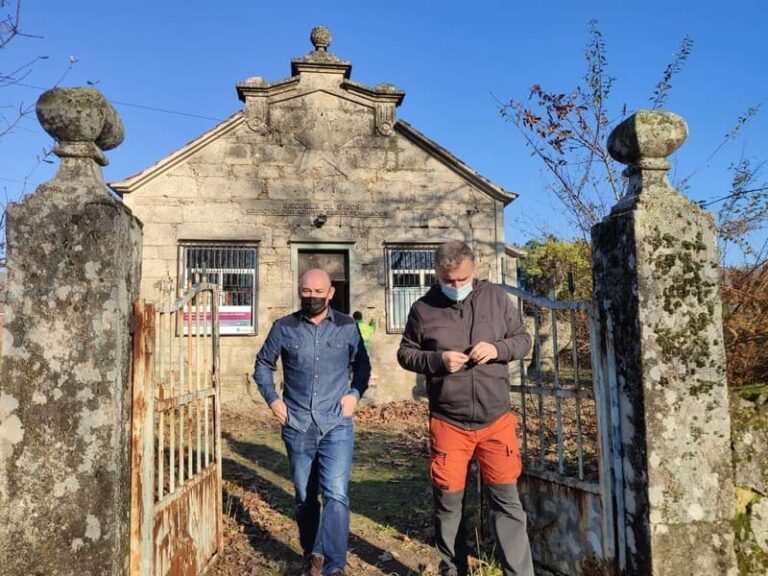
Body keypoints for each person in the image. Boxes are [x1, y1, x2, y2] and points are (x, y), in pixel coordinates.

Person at [396, 241, 534, 576]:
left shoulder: (497, 299)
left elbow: (522, 339)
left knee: (507, 504)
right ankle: (452, 570)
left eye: (462, 280)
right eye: (449, 281)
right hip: (449, 422)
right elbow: (405, 353)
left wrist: (498, 348)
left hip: (495, 419)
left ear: (474, 270)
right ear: (437, 274)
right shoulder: (423, 308)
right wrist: (436, 360)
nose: (457, 287)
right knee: (448, 506)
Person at [254, 269, 370, 576]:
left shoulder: (347, 327)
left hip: (336, 424)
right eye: (306, 291)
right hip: (298, 425)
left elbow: (362, 366)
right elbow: (263, 365)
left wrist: (355, 395)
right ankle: (312, 552)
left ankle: (334, 566)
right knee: (305, 498)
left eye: (319, 291)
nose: (312, 297)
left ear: (330, 293)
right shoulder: (284, 327)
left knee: (335, 493)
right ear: (299, 291)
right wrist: (273, 400)